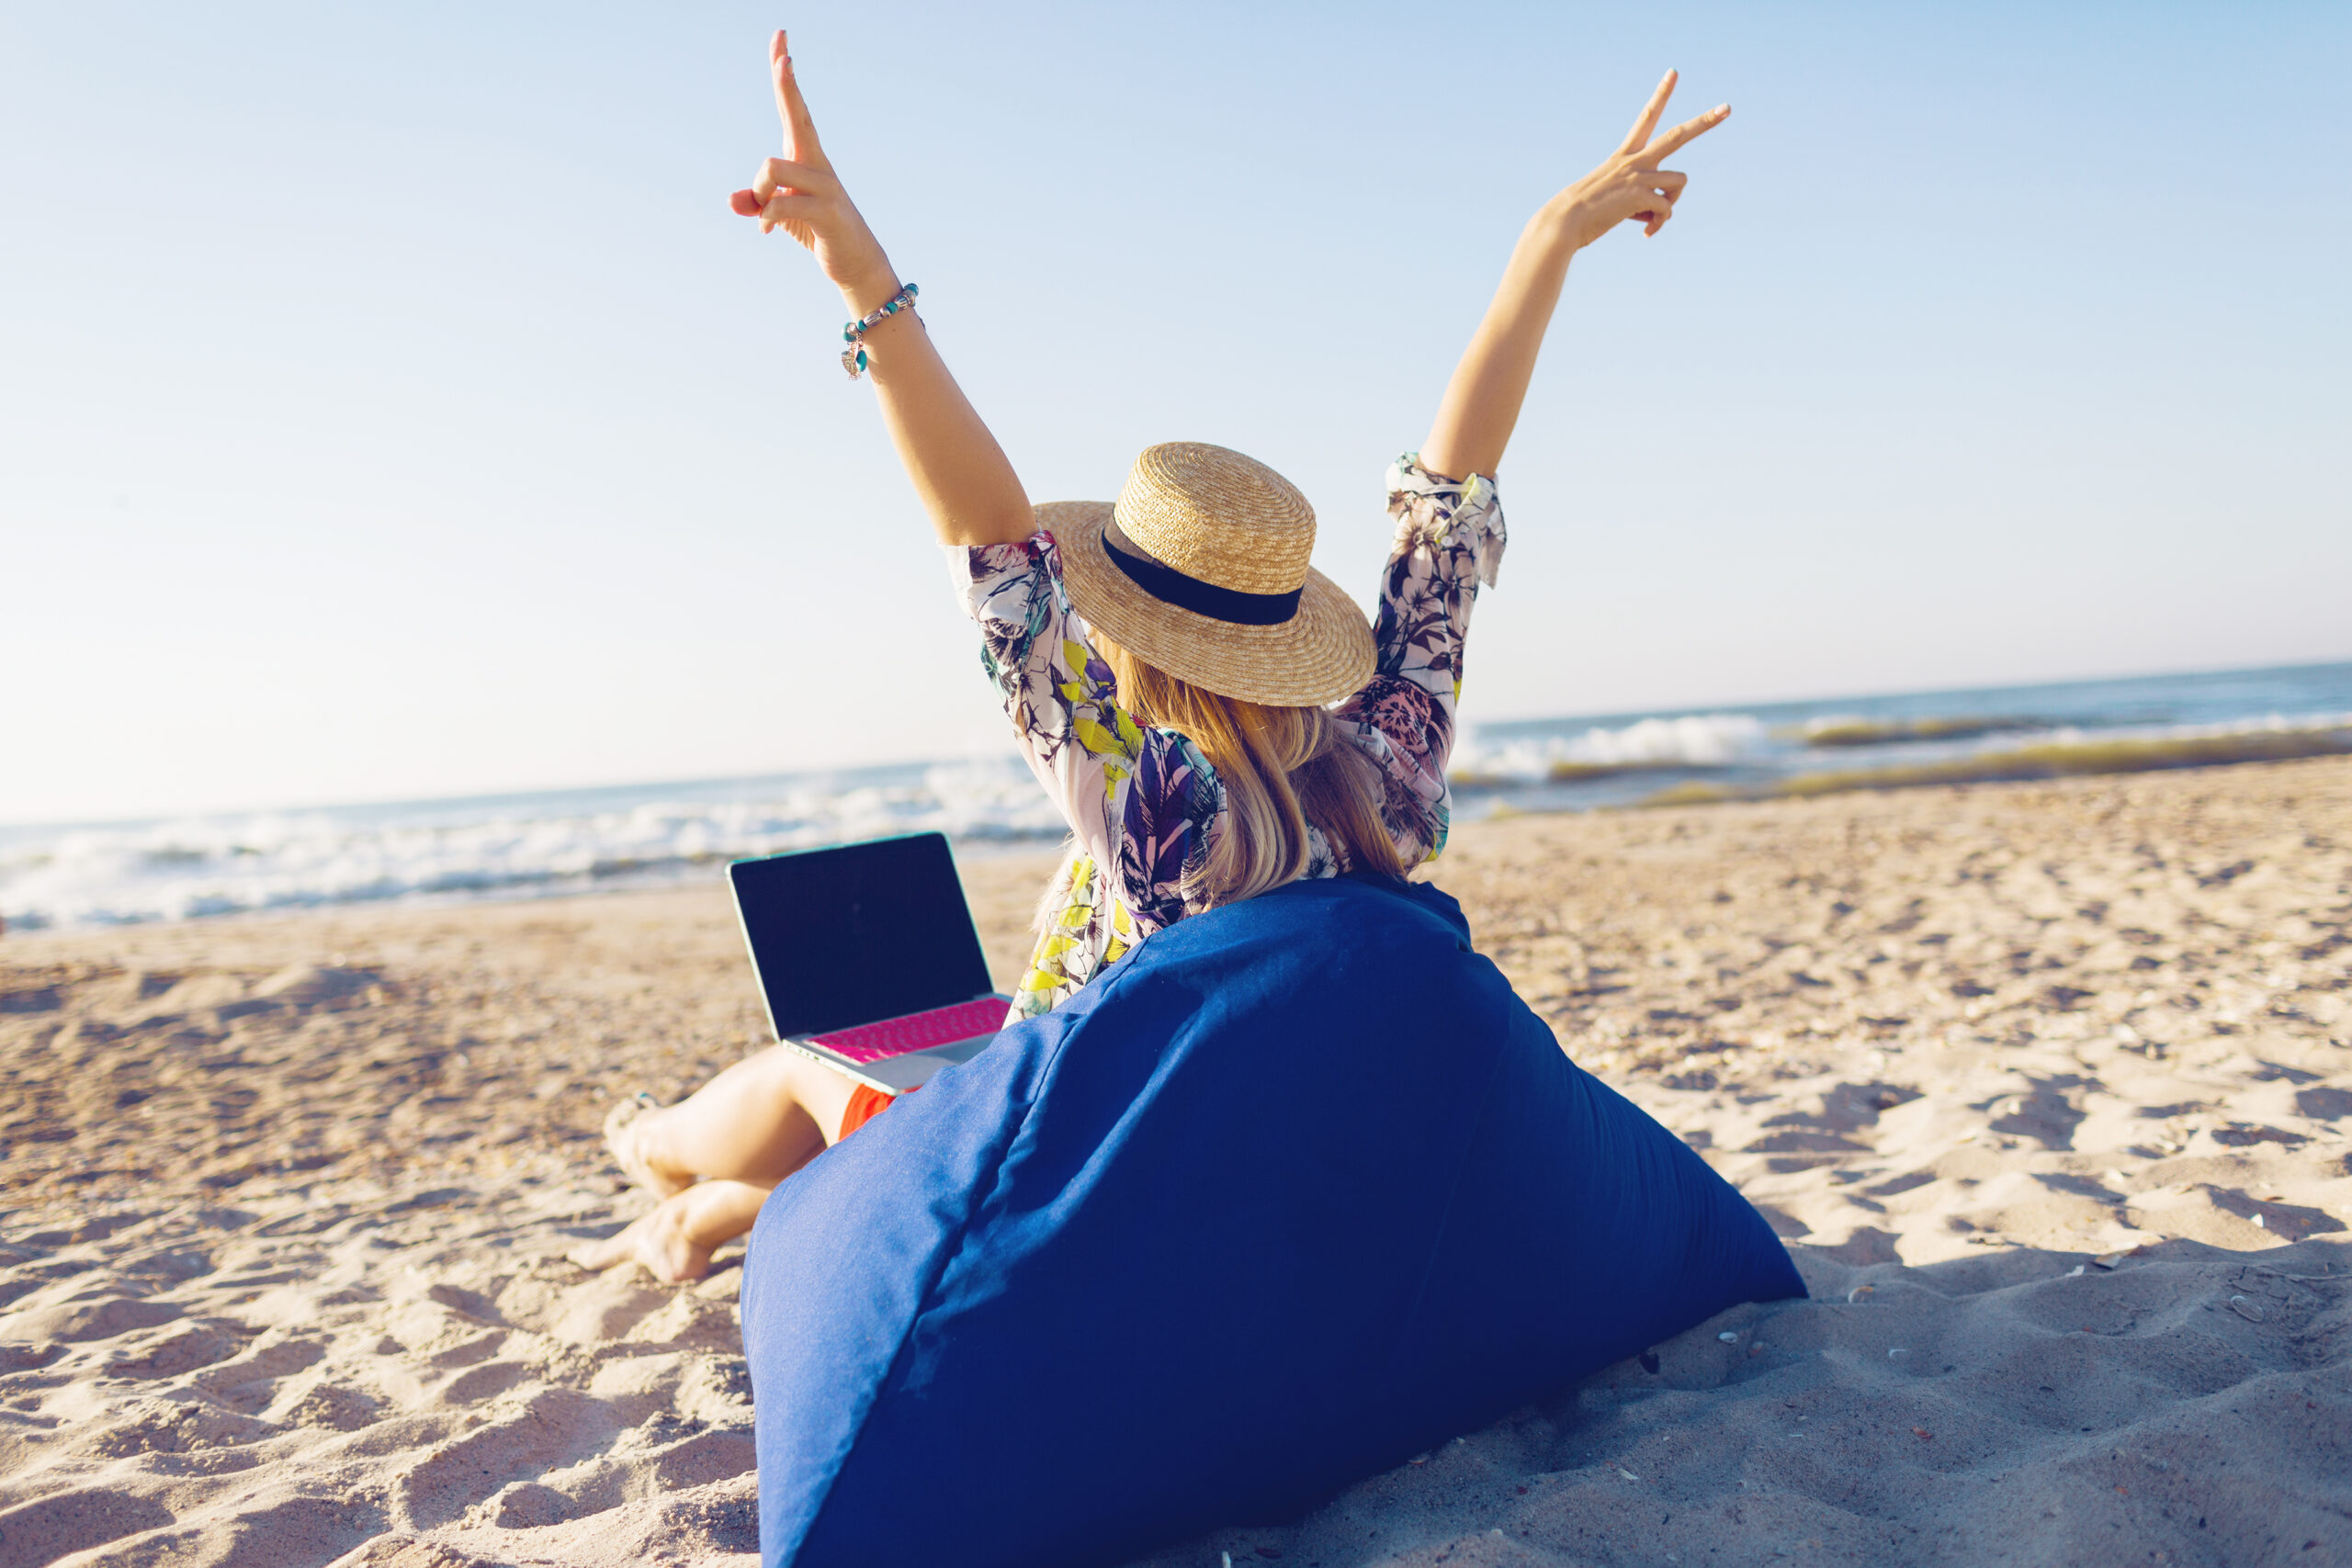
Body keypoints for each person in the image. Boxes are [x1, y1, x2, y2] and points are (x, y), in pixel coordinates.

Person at [571, 30, 1726, 1282]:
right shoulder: (1388, 775)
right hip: (1268, 1158)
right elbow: (1442, 519)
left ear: (1122, 624)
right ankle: (705, 1209)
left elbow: (990, 545)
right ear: (1288, 632)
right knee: (885, 1081)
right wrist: (1544, 249)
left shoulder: (1148, 811)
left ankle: (654, 1152)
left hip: (1073, 1170)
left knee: (809, 1066)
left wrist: (864, 279)